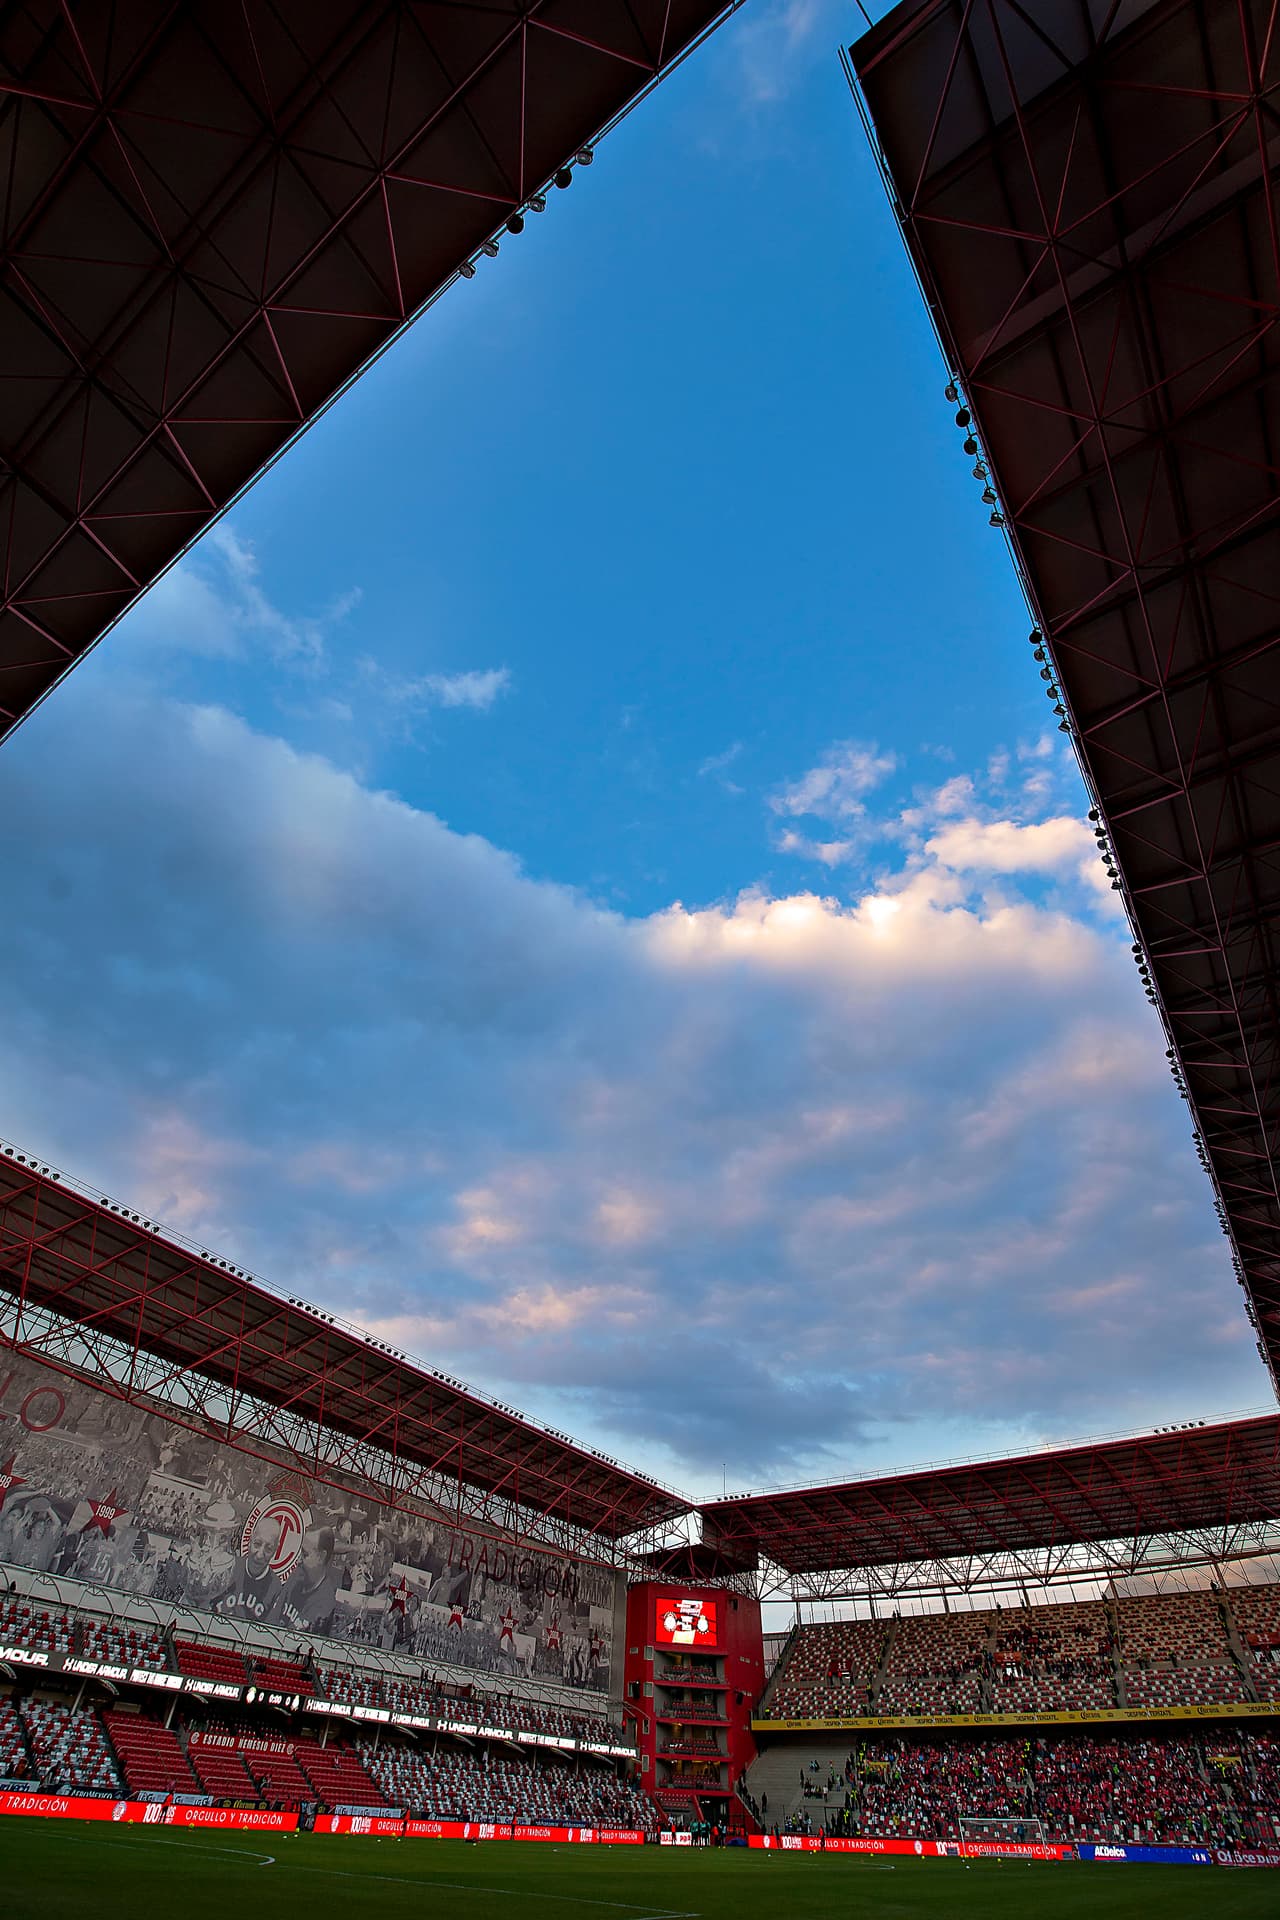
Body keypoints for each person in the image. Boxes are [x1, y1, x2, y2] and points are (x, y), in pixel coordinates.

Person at [270, 1527, 338, 1633]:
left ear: (321, 1557)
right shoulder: (298, 1573)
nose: (298, 1560)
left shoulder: (325, 1603)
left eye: (305, 1554)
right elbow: (273, 1617)